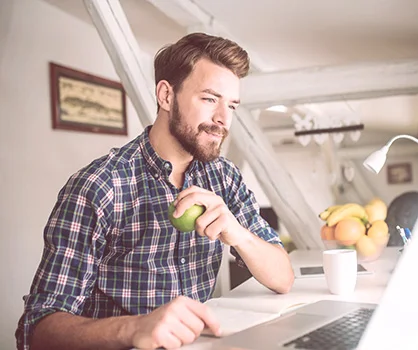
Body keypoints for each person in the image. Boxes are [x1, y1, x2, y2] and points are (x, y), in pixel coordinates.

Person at [16, 32, 294, 350]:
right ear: (165, 96)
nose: (222, 119)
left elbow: (283, 277)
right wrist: (133, 329)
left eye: (231, 105)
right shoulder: (98, 187)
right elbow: (35, 330)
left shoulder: (225, 178)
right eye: (209, 99)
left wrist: (237, 233)